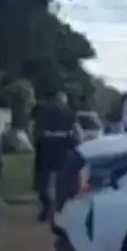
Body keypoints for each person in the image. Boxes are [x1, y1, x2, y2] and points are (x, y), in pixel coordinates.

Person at [30, 91, 80, 222]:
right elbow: (77, 131)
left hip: (46, 145)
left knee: (42, 178)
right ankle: (61, 206)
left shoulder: (44, 110)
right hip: (63, 146)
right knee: (64, 178)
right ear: (65, 100)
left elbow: (36, 128)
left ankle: (46, 205)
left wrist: (36, 142)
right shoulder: (70, 112)